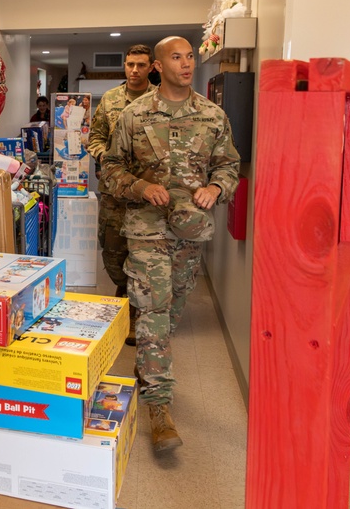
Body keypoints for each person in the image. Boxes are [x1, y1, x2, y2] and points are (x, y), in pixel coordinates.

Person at [100, 36, 239, 453]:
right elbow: (110, 167)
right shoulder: (134, 115)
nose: (186, 63)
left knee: (171, 311)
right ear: (158, 66)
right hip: (146, 231)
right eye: (176, 57)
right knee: (154, 313)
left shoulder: (214, 116)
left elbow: (229, 165)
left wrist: (216, 187)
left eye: (190, 56)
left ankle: (149, 365)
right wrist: (141, 186)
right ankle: (159, 409)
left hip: (190, 233)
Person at [87, 44, 156, 346]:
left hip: (146, 195)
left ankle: (133, 313)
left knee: (142, 256)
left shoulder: (161, 100)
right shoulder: (111, 100)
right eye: (130, 64)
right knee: (113, 254)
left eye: (141, 65)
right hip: (114, 192)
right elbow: (95, 136)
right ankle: (123, 290)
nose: (135, 70)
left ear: (151, 67)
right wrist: (105, 157)